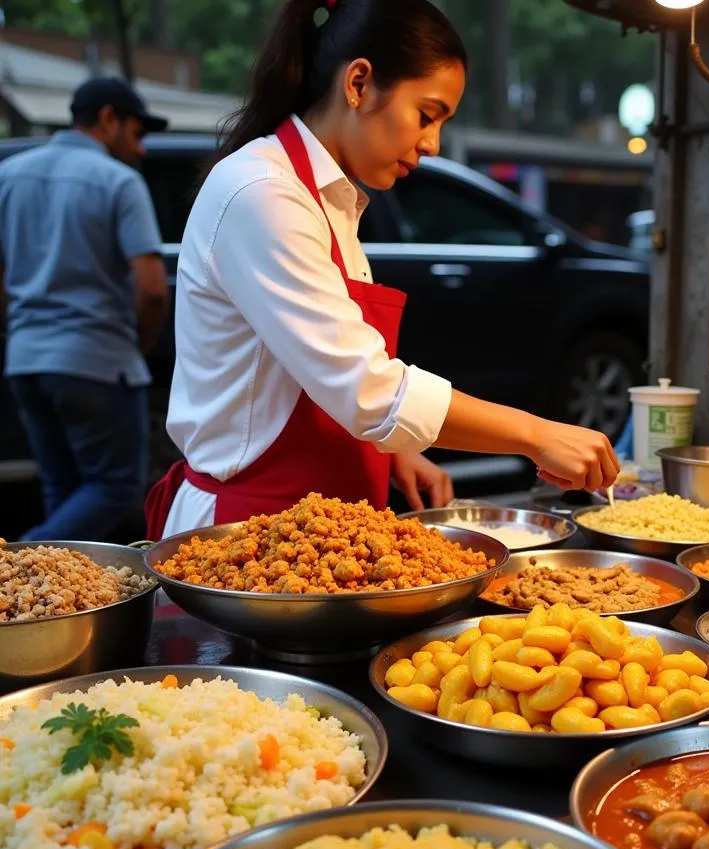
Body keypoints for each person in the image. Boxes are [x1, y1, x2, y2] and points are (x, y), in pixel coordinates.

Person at [145, 0, 619, 540]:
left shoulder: (330, 202)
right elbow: (368, 388)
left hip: (322, 533)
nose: (432, 145)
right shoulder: (265, 194)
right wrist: (534, 433)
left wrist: (388, 455)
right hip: (247, 536)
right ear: (359, 83)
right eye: (427, 114)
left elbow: (313, 372)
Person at [0, 78, 169, 541]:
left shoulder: (9, 175)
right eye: (137, 134)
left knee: (62, 486)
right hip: (97, 360)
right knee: (116, 488)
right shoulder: (118, 181)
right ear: (109, 119)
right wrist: (136, 345)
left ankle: (58, 607)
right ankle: (15, 564)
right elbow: (152, 288)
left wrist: (18, 331)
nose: (142, 149)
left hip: (26, 361)